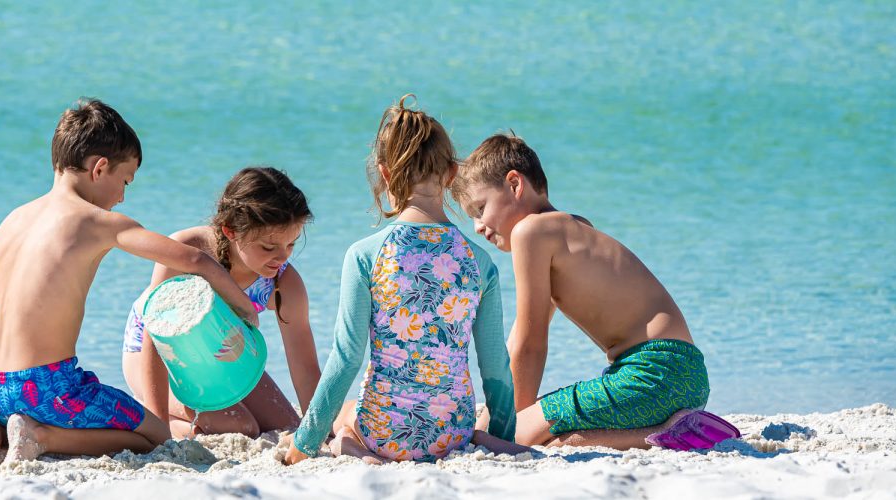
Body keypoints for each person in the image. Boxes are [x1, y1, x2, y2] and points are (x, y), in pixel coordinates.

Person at [0, 98, 259, 463]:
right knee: (154, 434)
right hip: (50, 389)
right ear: (99, 168)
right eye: (125, 180)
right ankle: (40, 436)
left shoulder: (12, 221)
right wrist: (244, 309)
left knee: (34, 405)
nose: (123, 196)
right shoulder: (102, 222)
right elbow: (194, 259)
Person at [284, 95, 530, 465]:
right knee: (467, 420)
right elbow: (495, 363)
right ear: (451, 173)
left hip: (384, 432)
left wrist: (303, 445)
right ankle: (484, 439)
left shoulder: (365, 255)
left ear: (384, 174)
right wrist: (503, 435)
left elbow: (347, 358)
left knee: (345, 416)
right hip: (452, 432)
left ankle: (352, 449)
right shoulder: (480, 263)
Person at [454, 132, 740, 450]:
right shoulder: (574, 227)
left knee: (516, 434)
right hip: (681, 377)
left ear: (515, 184)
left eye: (480, 209)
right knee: (547, 434)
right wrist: (506, 414)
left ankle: (672, 431)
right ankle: (674, 430)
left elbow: (530, 342)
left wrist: (508, 424)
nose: (478, 227)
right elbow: (529, 334)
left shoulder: (530, 232)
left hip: (651, 376)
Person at [122, 166, 321, 439]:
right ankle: (160, 417)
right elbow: (154, 340)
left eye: (291, 245)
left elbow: (305, 366)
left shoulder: (283, 283)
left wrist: (319, 429)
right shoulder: (187, 250)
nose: (282, 257)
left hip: (221, 357)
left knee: (287, 427)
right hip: (158, 355)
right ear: (230, 231)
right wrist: (159, 428)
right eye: (268, 247)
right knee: (241, 427)